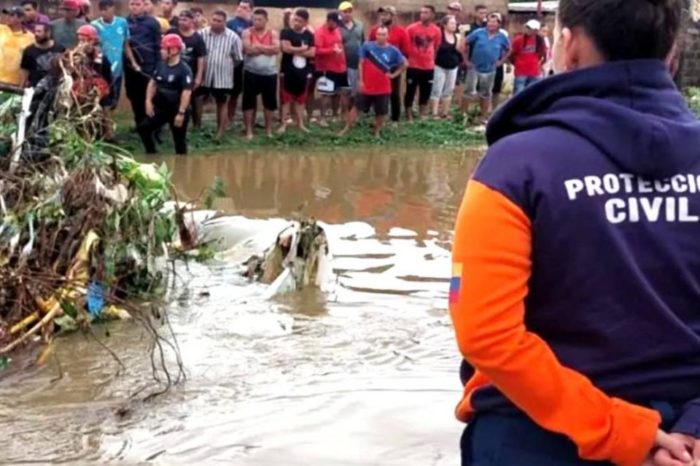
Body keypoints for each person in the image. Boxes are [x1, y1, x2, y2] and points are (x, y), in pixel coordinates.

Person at [450, 1, 700, 466]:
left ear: (568, 46)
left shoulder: (515, 164)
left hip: (537, 437)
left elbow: (487, 335)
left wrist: (623, 432)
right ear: (673, 48)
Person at [340, 25, 406, 138]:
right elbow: (360, 64)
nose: (381, 37)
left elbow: (405, 64)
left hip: (383, 87)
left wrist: (394, 75)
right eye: (379, 34)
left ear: (388, 36)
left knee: (381, 111)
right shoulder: (367, 46)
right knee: (356, 107)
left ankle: (377, 132)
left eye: (383, 34)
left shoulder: (393, 50)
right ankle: (346, 129)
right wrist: (360, 80)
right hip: (367, 85)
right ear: (375, 35)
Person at [139, 33, 192, 154]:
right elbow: (153, 83)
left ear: (173, 50)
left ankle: (182, 166)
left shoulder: (184, 70)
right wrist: (148, 101)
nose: (161, 51)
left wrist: (181, 113)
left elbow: (186, 92)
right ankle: (151, 153)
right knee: (143, 128)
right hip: (161, 108)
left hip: (177, 109)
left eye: (163, 48)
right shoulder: (161, 65)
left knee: (179, 141)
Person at [200, 10, 243, 138]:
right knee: (199, 100)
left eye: (219, 21)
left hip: (223, 77)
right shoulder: (201, 34)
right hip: (204, 76)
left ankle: (220, 131)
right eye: (214, 20)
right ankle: (197, 128)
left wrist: (224, 65)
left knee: (222, 102)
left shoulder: (233, 37)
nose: (216, 23)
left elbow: (238, 59)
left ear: (225, 22)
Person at [92, 0, 129, 140]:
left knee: (113, 101)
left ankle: (107, 129)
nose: (104, 12)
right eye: (101, 10)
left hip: (117, 69)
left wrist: (133, 62)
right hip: (100, 70)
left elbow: (126, 45)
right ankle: (102, 131)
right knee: (100, 100)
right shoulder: (95, 26)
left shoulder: (122, 23)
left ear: (113, 8)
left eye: (106, 9)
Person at [240, 8, 279, 139]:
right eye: (254, 19)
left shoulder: (273, 33)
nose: (256, 22)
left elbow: (276, 49)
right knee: (248, 102)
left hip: (269, 73)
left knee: (269, 103)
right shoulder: (247, 32)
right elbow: (248, 50)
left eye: (259, 19)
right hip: (251, 72)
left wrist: (257, 46)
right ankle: (249, 131)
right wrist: (266, 49)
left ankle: (268, 131)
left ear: (266, 20)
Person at [464, 12, 509, 123]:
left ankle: (483, 117)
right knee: (469, 92)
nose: (491, 24)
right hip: (474, 67)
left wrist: (501, 61)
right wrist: (466, 60)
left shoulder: (502, 37)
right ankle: (462, 115)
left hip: (490, 69)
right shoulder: (478, 32)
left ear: (499, 24)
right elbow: (465, 43)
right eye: (489, 21)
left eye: (494, 22)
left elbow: (509, 49)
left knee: (486, 94)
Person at [369, 5, 408, 124]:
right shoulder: (375, 30)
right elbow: (370, 47)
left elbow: (406, 51)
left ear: (392, 16)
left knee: (394, 92)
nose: (383, 17)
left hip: (394, 67)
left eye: (386, 14)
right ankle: (380, 117)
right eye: (381, 14)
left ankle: (395, 119)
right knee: (379, 92)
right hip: (378, 66)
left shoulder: (401, 31)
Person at [124, 0, 161, 127]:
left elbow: (158, 45)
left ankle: (154, 126)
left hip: (148, 66)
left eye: (138, 4)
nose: (134, 7)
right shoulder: (124, 22)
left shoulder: (152, 22)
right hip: (130, 67)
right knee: (133, 95)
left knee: (150, 95)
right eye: (132, 4)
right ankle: (140, 124)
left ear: (143, 6)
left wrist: (159, 66)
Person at [278, 8, 314, 134]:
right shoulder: (286, 32)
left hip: (303, 73)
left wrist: (295, 49)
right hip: (288, 71)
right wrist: (302, 49)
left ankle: (300, 124)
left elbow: (313, 53)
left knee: (300, 99)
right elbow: (285, 48)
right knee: (286, 99)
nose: (296, 23)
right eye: (295, 19)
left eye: (300, 21)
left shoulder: (309, 35)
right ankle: (283, 124)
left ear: (306, 22)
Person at [168, 10, 206, 127]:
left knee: (196, 100)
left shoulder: (197, 38)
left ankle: (197, 126)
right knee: (174, 100)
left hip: (191, 74)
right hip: (174, 73)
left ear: (192, 21)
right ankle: (174, 124)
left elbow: (201, 58)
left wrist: (199, 77)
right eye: (180, 19)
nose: (181, 22)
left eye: (185, 20)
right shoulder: (172, 32)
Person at [404, 5, 441, 122]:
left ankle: (422, 114)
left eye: (426, 12)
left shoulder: (436, 30)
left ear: (432, 15)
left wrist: (430, 59)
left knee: (426, 92)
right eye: (421, 12)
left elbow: (436, 47)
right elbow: (405, 45)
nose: (423, 15)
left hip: (428, 67)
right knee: (410, 91)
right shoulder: (411, 28)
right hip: (413, 66)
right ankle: (409, 115)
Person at [314, 11, 349, 128]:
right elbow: (317, 51)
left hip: (340, 67)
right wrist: (331, 50)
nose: (337, 25)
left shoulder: (337, 30)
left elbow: (339, 45)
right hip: (327, 68)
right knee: (325, 94)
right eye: (336, 23)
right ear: (329, 21)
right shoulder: (320, 32)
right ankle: (322, 118)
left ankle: (335, 115)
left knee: (338, 93)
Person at [226, 0, 253, 126]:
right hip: (231, 62)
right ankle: (227, 119)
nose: (240, 9)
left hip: (248, 62)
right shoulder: (230, 23)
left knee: (239, 92)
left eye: (244, 7)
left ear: (250, 10)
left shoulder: (252, 24)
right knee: (229, 92)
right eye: (239, 6)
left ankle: (245, 120)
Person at [430, 15, 463, 119]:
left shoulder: (457, 36)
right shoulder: (439, 35)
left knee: (449, 90)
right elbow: (434, 49)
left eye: (455, 23)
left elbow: (459, 50)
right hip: (439, 65)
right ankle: (434, 113)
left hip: (453, 66)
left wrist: (462, 35)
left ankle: (445, 112)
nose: (454, 25)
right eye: (452, 23)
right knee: (437, 89)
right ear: (445, 25)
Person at [76, 24, 112, 104]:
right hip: (80, 94)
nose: (81, 44)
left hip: (97, 93)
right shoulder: (75, 56)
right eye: (79, 40)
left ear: (92, 41)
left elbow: (108, 78)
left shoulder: (100, 58)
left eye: (83, 40)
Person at [20, 22, 64, 88]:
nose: (36, 34)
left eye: (39, 31)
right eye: (35, 31)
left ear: (48, 33)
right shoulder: (29, 50)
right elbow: (25, 72)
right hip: (35, 88)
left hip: (55, 88)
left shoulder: (59, 49)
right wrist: (21, 89)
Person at [509, 19, 546, 94]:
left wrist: (539, 65)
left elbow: (544, 55)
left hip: (534, 72)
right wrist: (516, 63)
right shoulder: (518, 40)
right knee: (519, 93)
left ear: (536, 30)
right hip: (521, 72)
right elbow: (511, 54)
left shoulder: (540, 41)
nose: (528, 30)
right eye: (527, 27)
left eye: (530, 28)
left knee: (531, 94)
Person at [461, 3, 487, 110]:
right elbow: (463, 45)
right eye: (481, 13)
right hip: (473, 62)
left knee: (484, 90)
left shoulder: (489, 28)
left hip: (486, 64)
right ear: (475, 13)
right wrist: (466, 60)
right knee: (469, 89)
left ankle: (482, 114)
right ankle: (463, 113)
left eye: (485, 13)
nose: (483, 15)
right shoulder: (469, 27)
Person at [0, 7, 34, 86]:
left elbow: (30, 62)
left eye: (11, 15)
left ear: (21, 18)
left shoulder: (30, 38)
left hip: (14, 83)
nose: (7, 17)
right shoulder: (1, 29)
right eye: (7, 15)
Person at [338, 1, 364, 99]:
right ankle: (344, 113)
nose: (347, 14)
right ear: (340, 13)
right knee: (345, 92)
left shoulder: (360, 25)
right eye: (345, 11)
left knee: (357, 92)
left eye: (350, 11)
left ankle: (354, 113)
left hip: (358, 64)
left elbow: (363, 41)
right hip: (344, 64)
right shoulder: (337, 26)